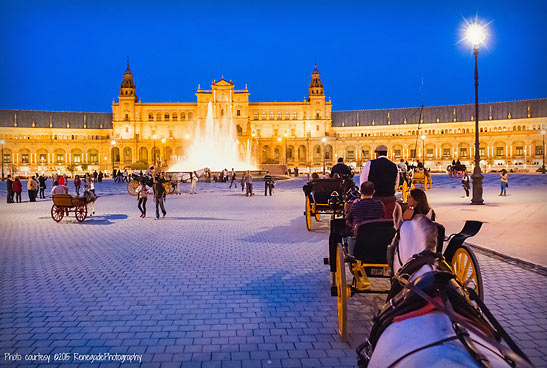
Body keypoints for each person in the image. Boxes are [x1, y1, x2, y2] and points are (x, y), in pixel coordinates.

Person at [345, 181, 386, 254]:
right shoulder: (379, 204)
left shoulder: (356, 205)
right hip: (377, 235)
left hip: (359, 236)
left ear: (360, 191)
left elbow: (349, 217)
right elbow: (383, 216)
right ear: (374, 191)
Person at [359, 144, 399, 219]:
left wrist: (363, 194)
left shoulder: (370, 163)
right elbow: (396, 182)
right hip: (389, 198)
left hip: (374, 198)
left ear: (377, 153)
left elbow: (363, 180)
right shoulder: (394, 165)